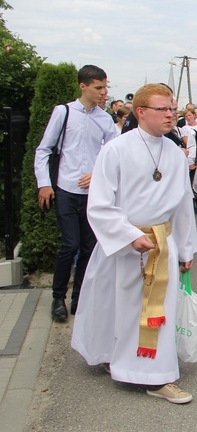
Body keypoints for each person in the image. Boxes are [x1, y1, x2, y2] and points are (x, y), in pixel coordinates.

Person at [71, 82, 197, 404]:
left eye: (172, 108)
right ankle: (112, 356)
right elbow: (99, 204)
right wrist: (130, 236)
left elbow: (183, 206)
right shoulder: (115, 149)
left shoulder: (175, 153)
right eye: (163, 109)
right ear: (141, 112)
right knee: (116, 306)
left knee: (157, 312)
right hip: (125, 245)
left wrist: (186, 249)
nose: (171, 114)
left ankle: (157, 377)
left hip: (161, 246)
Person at [34, 64, 117, 322]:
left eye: (105, 87)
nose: (104, 93)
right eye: (99, 88)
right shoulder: (64, 112)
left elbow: (113, 155)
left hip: (93, 193)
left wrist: (98, 172)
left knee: (89, 246)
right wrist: (44, 183)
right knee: (70, 244)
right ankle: (58, 297)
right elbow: (43, 150)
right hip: (66, 189)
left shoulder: (106, 119)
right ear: (83, 86)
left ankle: (79, 298)